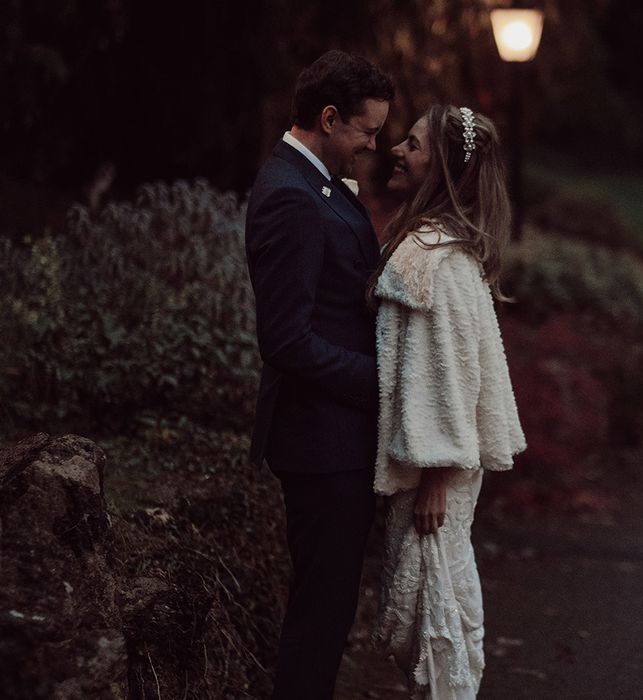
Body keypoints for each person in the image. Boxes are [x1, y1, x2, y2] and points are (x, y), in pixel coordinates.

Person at [244, 50, 394, 699]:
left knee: (329, 613)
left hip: (337, 439)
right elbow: (285, 340)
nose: (373, 145)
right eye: (366, 130)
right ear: (329, 119)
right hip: (320, 442)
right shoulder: (291, 195)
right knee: (320, 615)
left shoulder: (319, 186)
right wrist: (385, 381)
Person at [368, 104, 527, 699]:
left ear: (441, 167)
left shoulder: (441, 259)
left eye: (413, 144)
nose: (398, 151)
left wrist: (436, 473)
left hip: (437, 470)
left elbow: (452, 372)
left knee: (437, 616)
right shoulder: (430, 246)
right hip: (426, 462)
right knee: (424, 609)